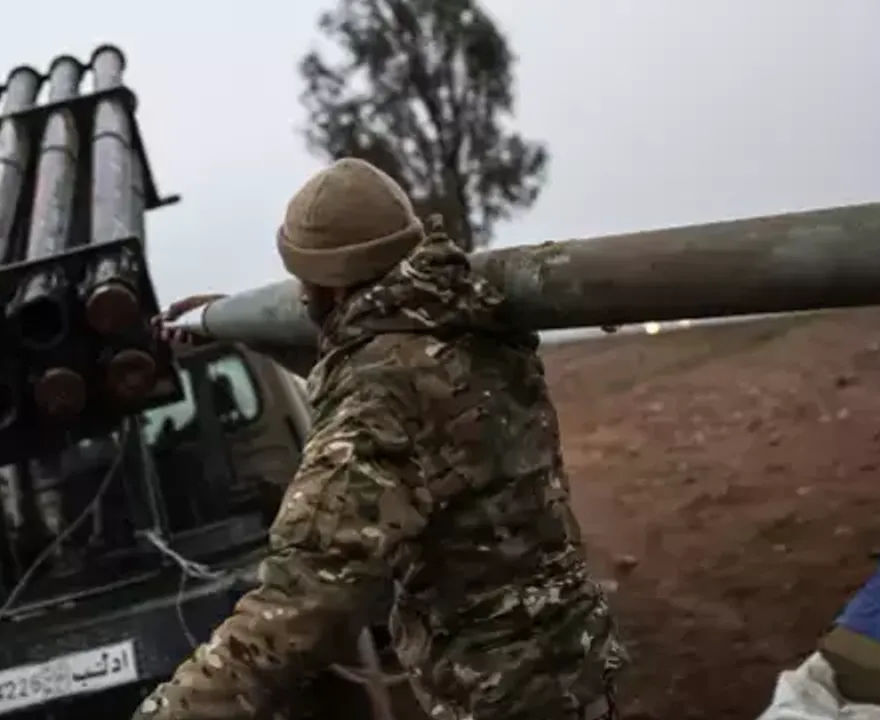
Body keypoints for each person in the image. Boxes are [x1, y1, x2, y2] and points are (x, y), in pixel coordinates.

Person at [136, 158, 626, 720]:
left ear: (330, 282)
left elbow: (303, 597)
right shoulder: (468, 313)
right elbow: (366, 357)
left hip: (500, 694)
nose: (301, 293)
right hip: (568, 660)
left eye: (304, 276)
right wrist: (231, 319)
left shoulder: (379, 396)